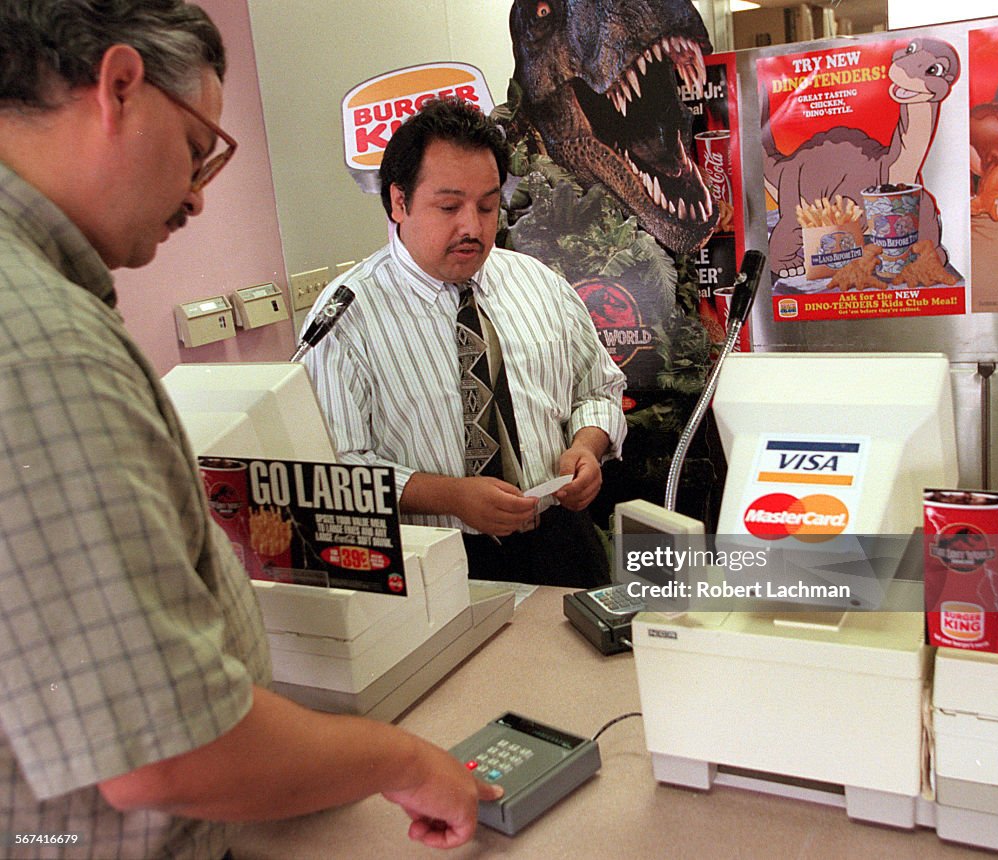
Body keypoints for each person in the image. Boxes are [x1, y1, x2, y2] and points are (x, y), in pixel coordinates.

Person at [0, 3, 499, 857]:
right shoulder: (41, 345)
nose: (199, 194)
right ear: (119, 87)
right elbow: (165, 753)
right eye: (199, 151)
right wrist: (402, 760)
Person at [303, 98, 627, 588]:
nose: (472, 227)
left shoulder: (538, 283)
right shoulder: (349, 315)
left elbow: (598, 389)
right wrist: (451, 496)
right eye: (449, 206)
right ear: (398, 201)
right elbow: (341, 464)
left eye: (488, 205)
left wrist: (587, 446)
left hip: (561, 542)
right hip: (432, 562)